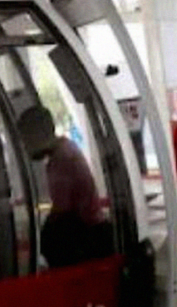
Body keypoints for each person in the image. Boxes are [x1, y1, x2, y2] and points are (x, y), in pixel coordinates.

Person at [17, 105, 110, 267]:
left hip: (86, 239)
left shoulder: (60, 160)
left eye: (27, 140)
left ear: (38, 135)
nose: (26, 147)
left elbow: (61, 212)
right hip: (95, 230)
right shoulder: (68, 147)